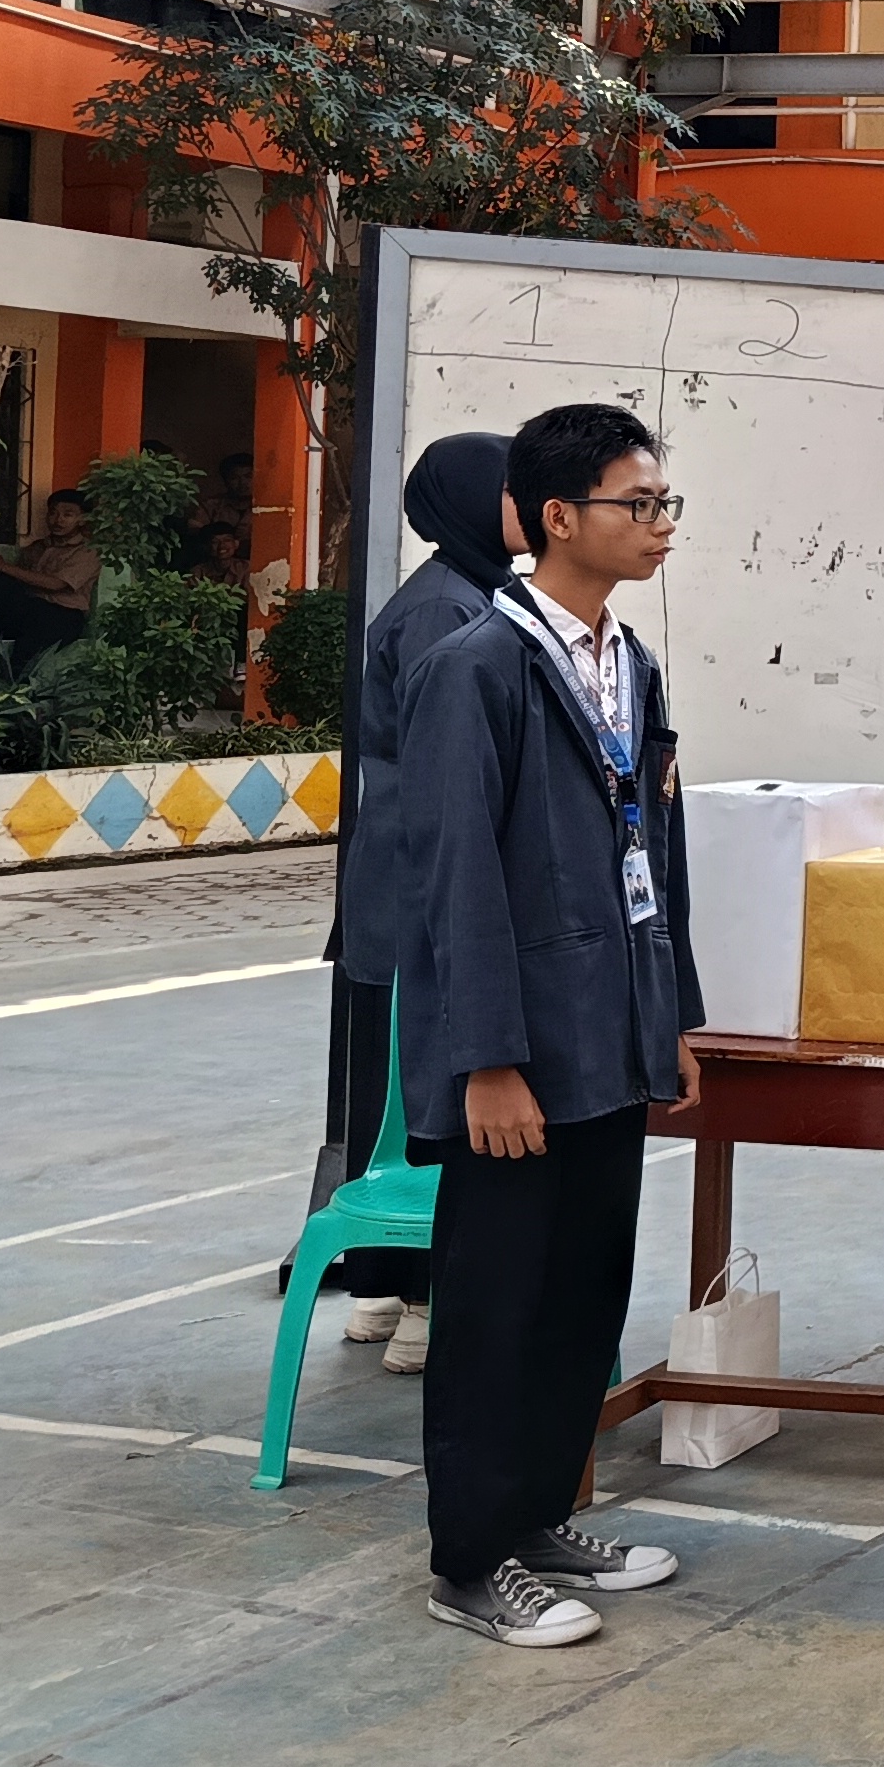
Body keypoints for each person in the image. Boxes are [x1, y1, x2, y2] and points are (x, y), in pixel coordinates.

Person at [396, 401, 703, 1650]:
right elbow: (455, 875)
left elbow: (657, 851)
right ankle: (470, 1561)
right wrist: (487, 1060)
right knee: (496, 1306)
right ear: (558, 518)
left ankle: (538, 1516)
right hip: (519, 1051)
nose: (660, 524)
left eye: (666, 502)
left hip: (610, 1035)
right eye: (639, 503)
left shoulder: (629, 662)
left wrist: (671, 1017)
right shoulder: (475, 665)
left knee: (584, 1290)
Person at [325, 432, 521, 1374]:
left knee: (392, 1090)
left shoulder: (460, 591)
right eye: (516, 488)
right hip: (419, 883)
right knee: (429, 1095)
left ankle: (381, 1289)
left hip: (400, 879)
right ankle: (422, 1301)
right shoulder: (450, 607)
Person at [0, 488, 99, 664]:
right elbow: (18, 580)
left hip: (63, 615)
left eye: (67, 515)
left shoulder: (88, 551)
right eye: (52, 513)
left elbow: (56, 584)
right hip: (29, 608)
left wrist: (3, 567)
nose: (58, 520)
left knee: (26, 652)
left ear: (83, 519)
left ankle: (17, 679)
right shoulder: (37, 547)